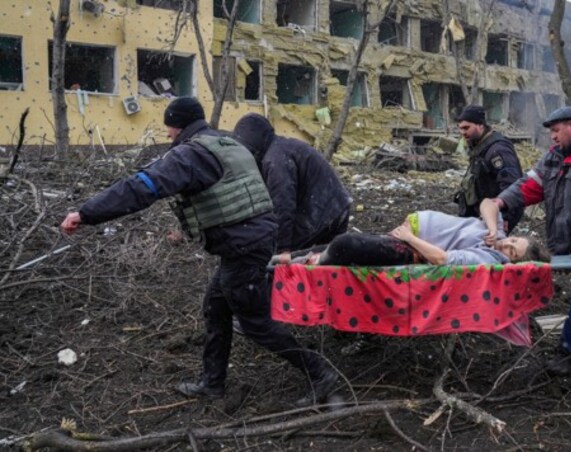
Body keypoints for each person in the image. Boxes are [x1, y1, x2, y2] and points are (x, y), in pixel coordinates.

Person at [60, 97, 338, 406]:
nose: (167, 135)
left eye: (168, 128)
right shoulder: (225, 142)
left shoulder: (190, 155)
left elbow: (142, 187)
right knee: (216, 306)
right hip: (251, 239)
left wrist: (86, 213)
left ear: (178, 126)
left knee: (255, 321)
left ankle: (319, 372)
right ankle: (212, 383)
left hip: (244, 244)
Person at [483, 106, 571, 376]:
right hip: (569, 239)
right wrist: (501, 201)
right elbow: (530, 185)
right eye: (551, 132)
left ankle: (567, 351)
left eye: (556, 131)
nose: (553, 137)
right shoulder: (555, 156)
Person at [233, 113, 352, 261]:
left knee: (287, 261)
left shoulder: (275, 160)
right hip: (335, 206)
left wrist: (283, 249)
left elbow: (283, 204)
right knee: (322, 263)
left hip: (322, 213)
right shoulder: (280, 148)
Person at [281, 206, 545, 267]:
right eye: (513, 240)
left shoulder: (487, 259)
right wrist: (491, 227)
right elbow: (490, 202)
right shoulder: (495, 234)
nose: (506, 243)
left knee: (344, 244)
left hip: (411, 246)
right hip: (408, 233)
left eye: (511, 251)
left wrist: (409, 237)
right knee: (335, 244)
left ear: (510, 263)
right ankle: (284, 258)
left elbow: (442, 258)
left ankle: (307, 264)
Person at [453, 105, 525, 232]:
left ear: (480, 125)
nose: (462, 132)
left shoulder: (497, 150)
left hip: (496, 215)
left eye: (466, 128)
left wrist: (504, 218)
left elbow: (511, 186)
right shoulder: (479, 147)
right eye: (460, 129)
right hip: (482, 215)